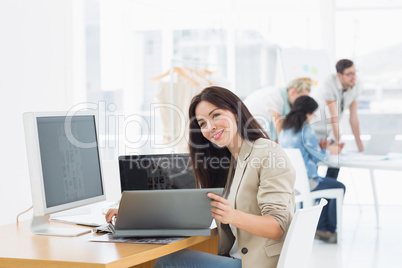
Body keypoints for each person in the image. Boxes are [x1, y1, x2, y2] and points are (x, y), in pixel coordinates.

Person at [152, 86, 295, 268]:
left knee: (168, 261)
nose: (210, 127)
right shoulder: (229, 162)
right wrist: (136, 213)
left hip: (255, 263)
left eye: (216, 115)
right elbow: (188, 204)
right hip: (236, 258)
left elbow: (277, 227)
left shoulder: (268, 153)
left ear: (235, 112)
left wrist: (232, 216)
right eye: (202, 123)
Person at [278, 95, 346, 243]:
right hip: (308, 182)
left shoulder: (284, 130)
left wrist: (320, 149)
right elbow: (318, 158)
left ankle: (321, 226)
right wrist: (331, 150)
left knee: (328, 182)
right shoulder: (305, 130)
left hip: (292, 183)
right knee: (339, 186)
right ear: (308, 114)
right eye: (314, 114)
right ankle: (326, 228)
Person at [311, 59, 363, 179]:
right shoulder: (328, 82)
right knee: (315, 165)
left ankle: (330, 196)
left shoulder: (356, 84)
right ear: (339, 75)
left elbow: (353, 117)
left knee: (335, 165)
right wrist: (337, 140)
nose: (353, 77)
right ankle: (314, 196)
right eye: (349, 74)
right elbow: (333, 116)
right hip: (316, 128)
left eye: (355, 72)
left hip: (332, 129)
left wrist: (360, 147)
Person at [244, 77, 312, 141]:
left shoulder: (280, 95)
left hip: (251, 128)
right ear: (293, 92)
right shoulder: (276, 97)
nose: (302, 101)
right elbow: (280, 133)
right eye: (301, 98)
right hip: (244, 128)